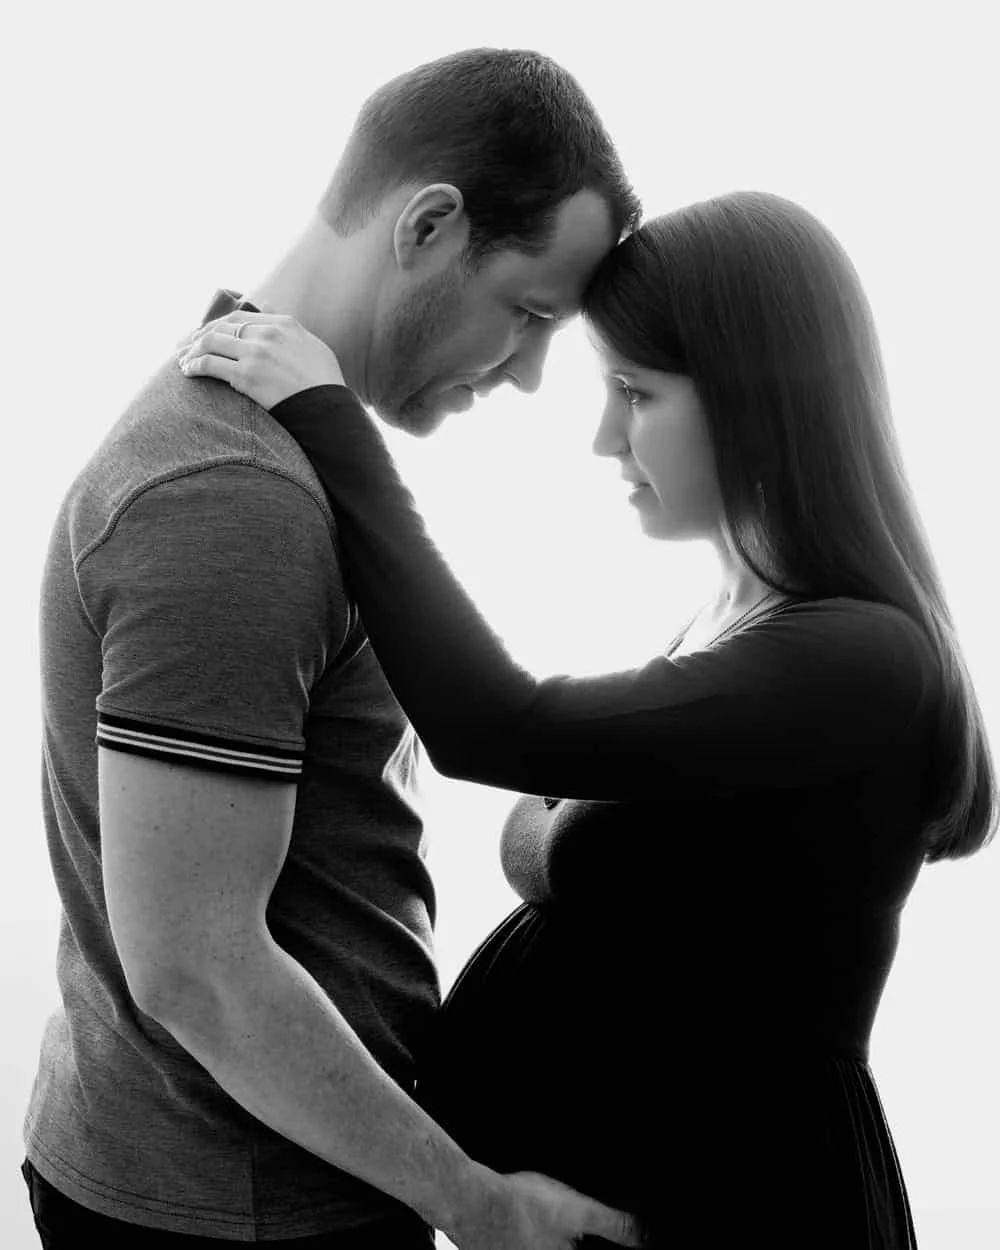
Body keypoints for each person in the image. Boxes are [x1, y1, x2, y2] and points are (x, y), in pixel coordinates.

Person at [177, 188, 998, 1249]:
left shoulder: (857, 657)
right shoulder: (739, 624)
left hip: (745, 1207)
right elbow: (545, 791)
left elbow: (493, 730)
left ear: (758, 397)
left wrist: (330, 421)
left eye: (634, 392)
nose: (605, 437)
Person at [21, 48, 647, 1250]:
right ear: (427, 224)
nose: (528, 376)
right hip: (241, 1206)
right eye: (527, 314)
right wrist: (474, 1199)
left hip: (243, 1176)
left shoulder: (268, 440)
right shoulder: (230, 495)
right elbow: (197, 967)